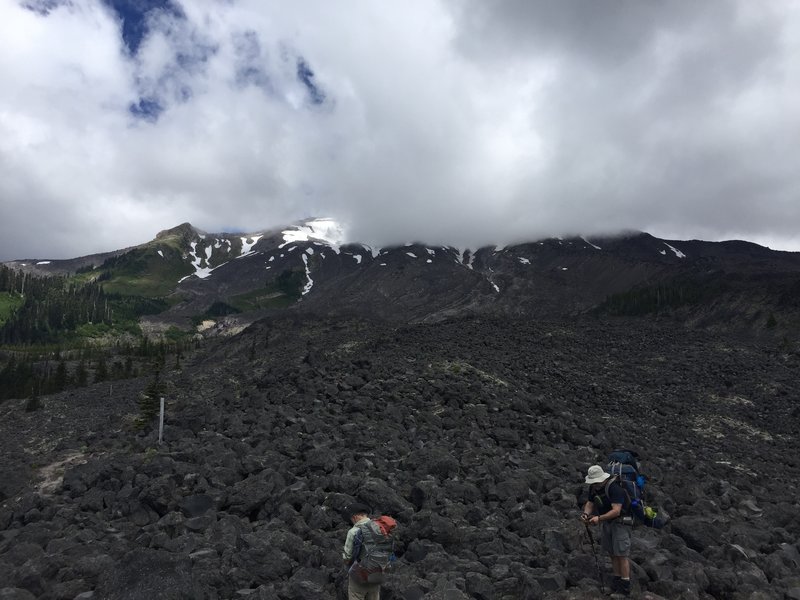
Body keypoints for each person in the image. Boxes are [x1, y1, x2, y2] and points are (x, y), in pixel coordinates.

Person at [581, 464, 632, 596]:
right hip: (607, 523)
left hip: (621, 523)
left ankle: (625, 587)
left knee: (621, 554)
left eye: (596, 482)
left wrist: (599, 518)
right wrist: (586, 514)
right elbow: (590, 503)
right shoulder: (594, 488)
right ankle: (616, 582)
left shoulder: (614, 488)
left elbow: (616, 511)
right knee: (612, 553)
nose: (594, 484)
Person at [342, 503, 382, 600]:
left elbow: (347, 557)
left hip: (359, 574)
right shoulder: (379, 528)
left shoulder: (353, 531)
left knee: (356, 595)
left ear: (355, 517)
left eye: (351, 519)